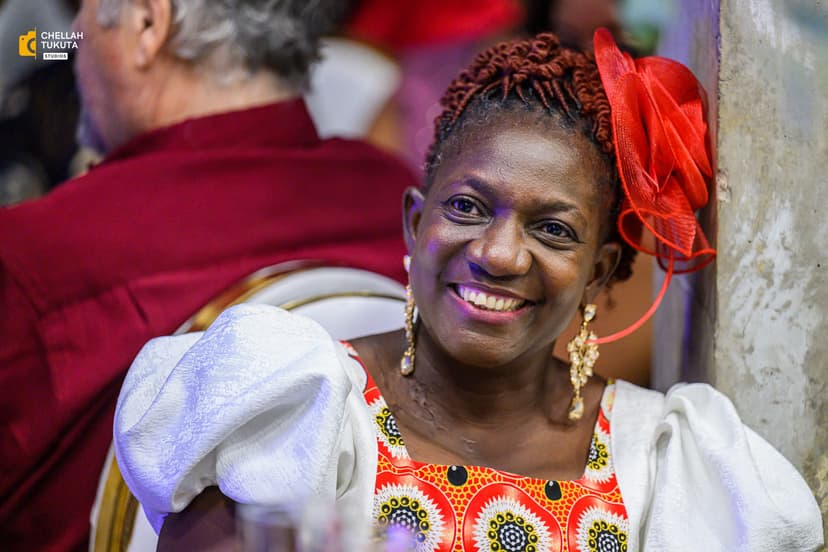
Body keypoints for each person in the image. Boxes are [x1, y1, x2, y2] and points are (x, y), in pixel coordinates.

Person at [114, 30, 823, 551]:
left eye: (552, 229)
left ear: (600, 273)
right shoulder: (297, 411)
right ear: (414, 222)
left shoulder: (669, 465)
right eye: (467, 208)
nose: (498, 254)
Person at [0, 0, 417, 549]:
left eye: (85, 9)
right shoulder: (405, 204)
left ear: (148, 25)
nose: (72, 34)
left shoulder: (34, 255)